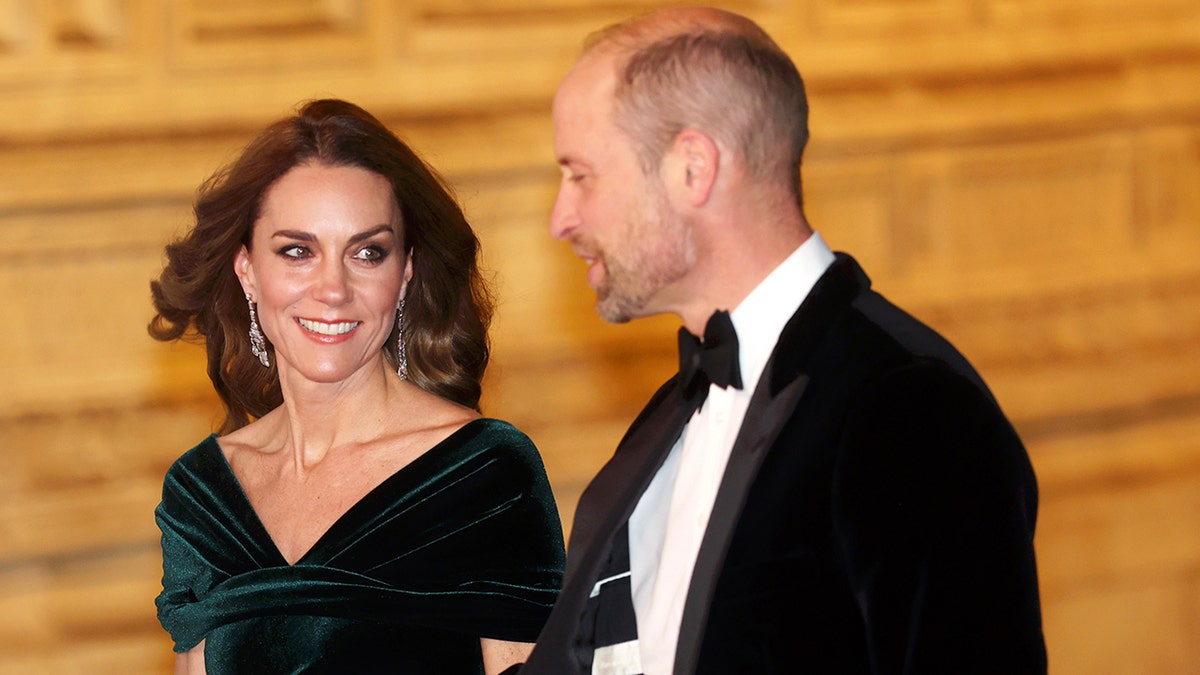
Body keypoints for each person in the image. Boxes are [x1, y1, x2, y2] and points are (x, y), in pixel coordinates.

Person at [521, 7, 1046, 674]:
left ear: (691, 168)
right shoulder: (673, 412)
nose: (559, 219)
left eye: (581, 175)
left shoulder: (912, 405)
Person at [148, 99, 565, 674]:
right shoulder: (203, 497)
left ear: (405, 275)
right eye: (297, 251)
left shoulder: (482, 473)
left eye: (368, 253)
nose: (333, 288)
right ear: (247, 270)